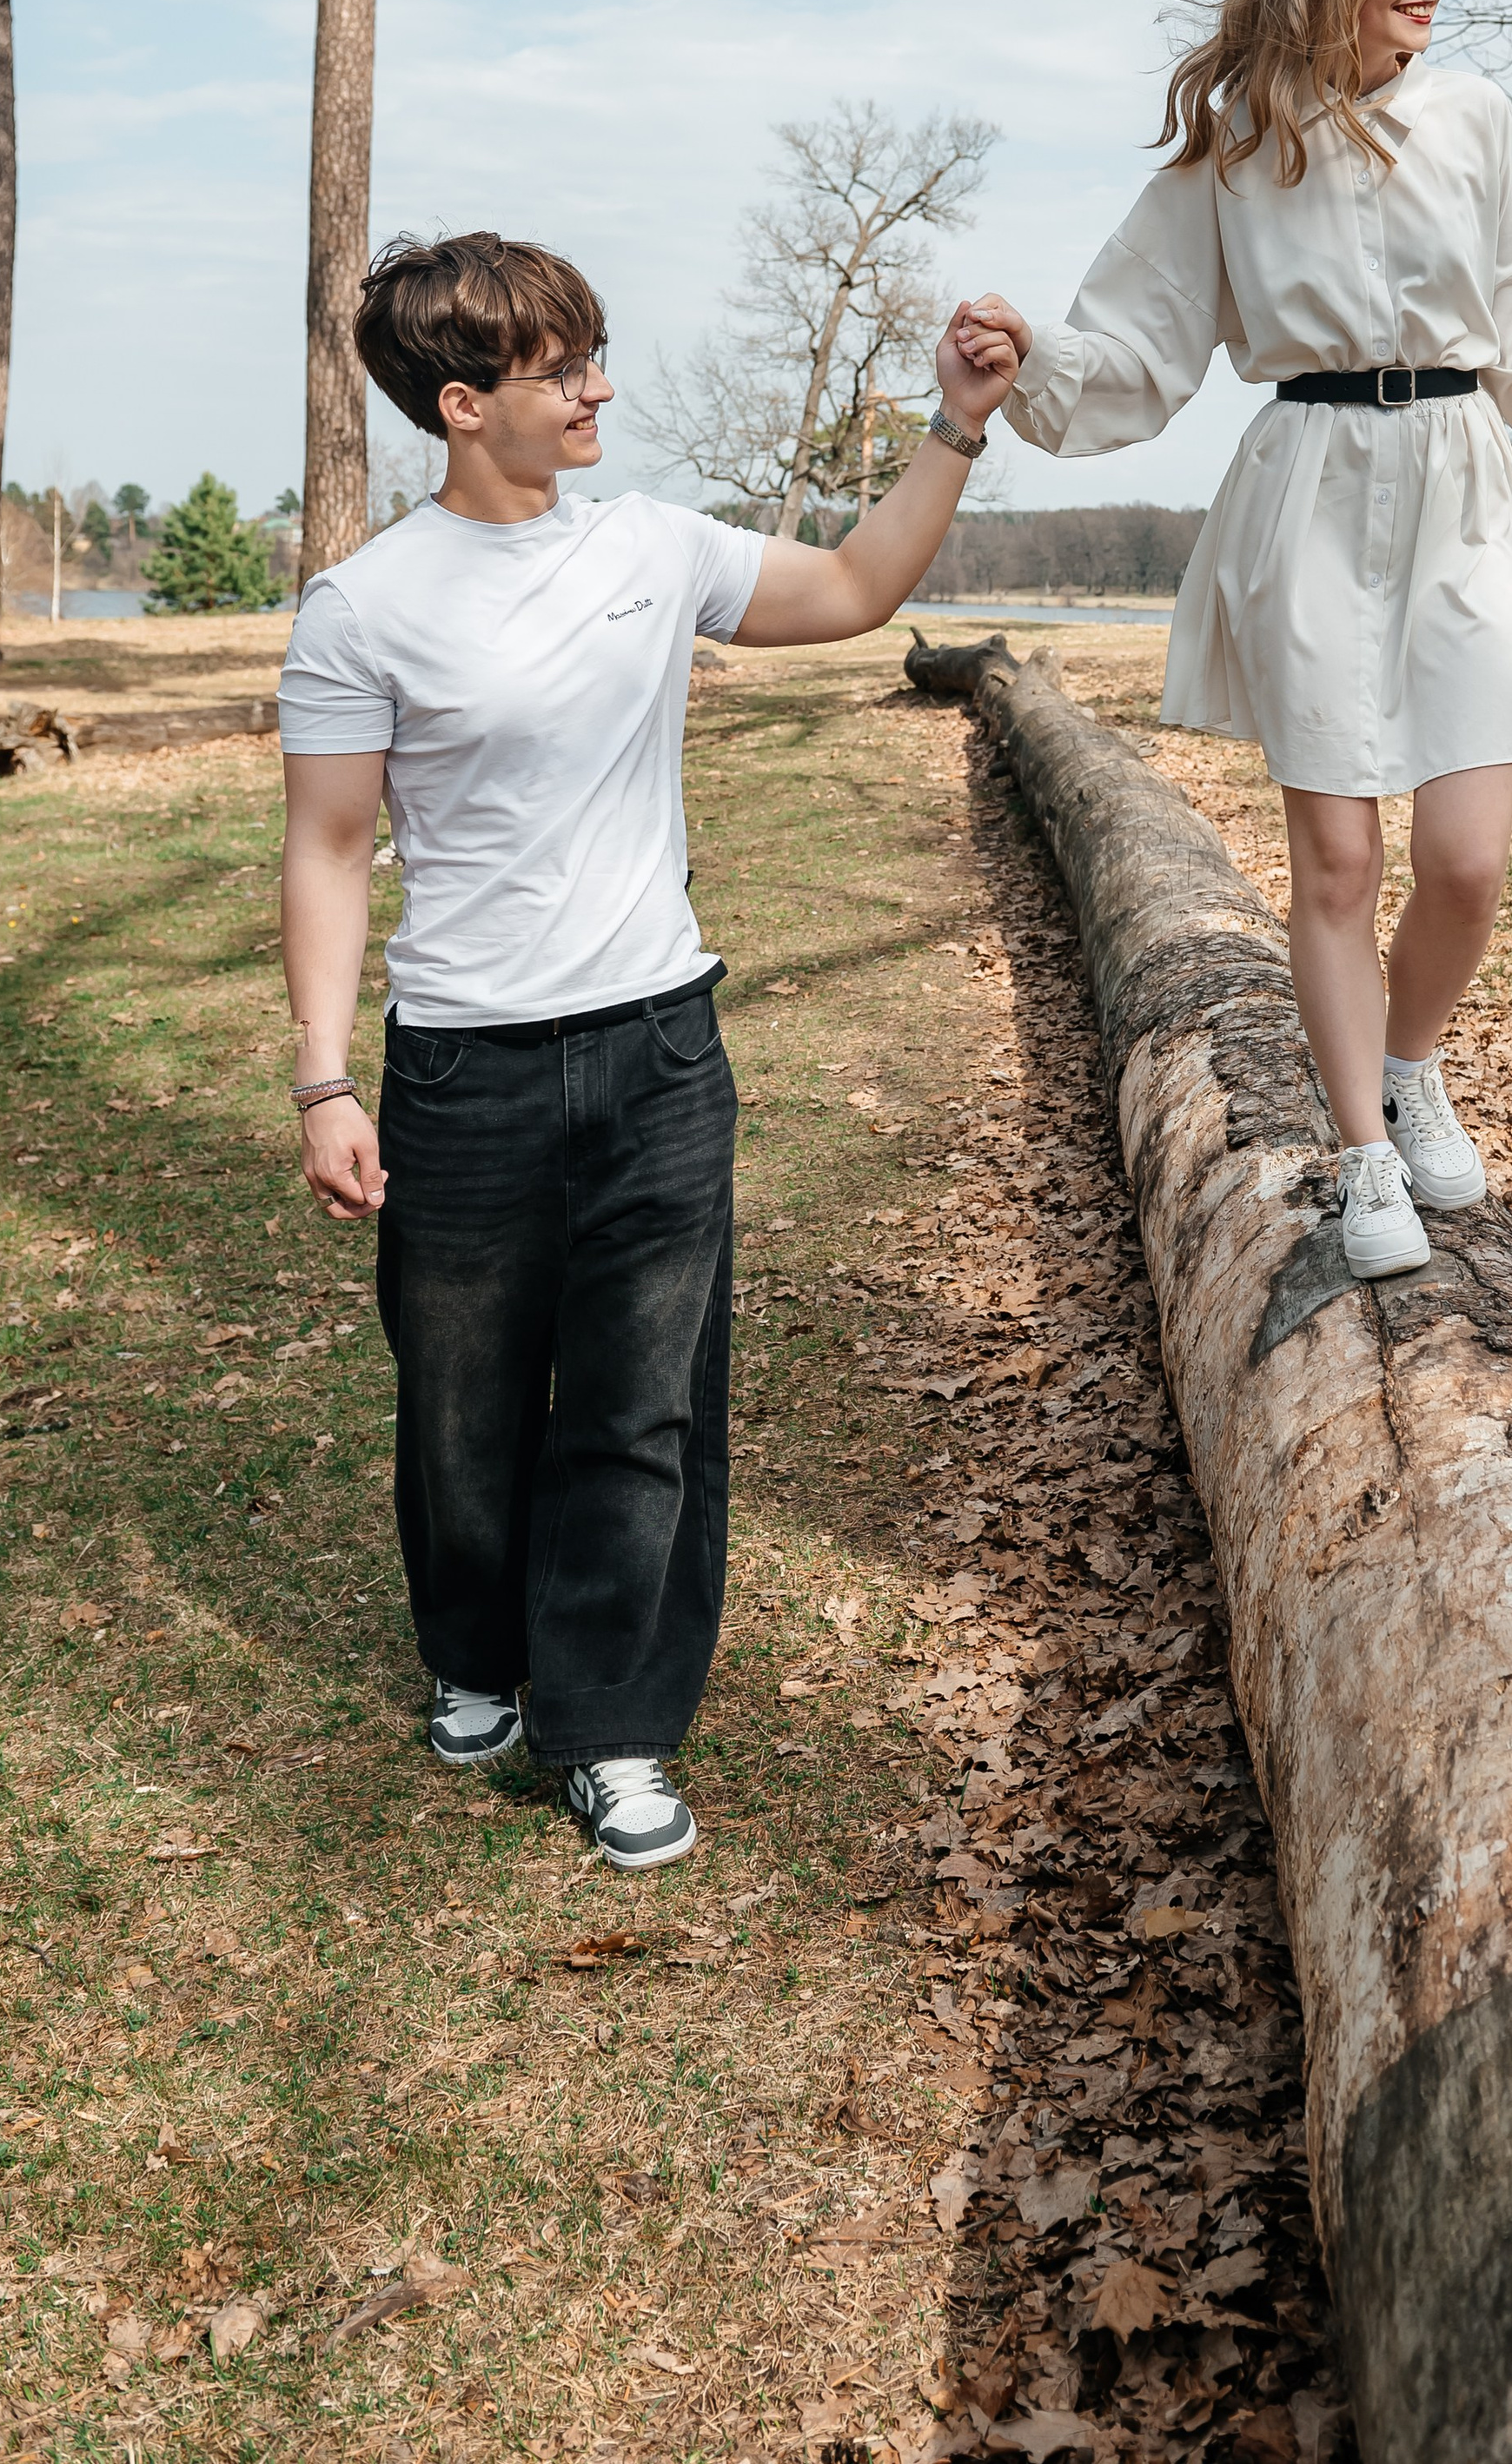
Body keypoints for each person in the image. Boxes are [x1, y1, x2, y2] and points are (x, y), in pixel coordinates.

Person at [278, 234, 1017, 1866]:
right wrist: (327, 1076)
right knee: (462, 1405)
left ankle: (611, 1725)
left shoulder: (653, 548)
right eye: (564, 369)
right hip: (464, 1069)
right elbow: (330, 845)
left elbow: (855, 588)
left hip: (657, 1055)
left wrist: (954, 424)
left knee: (640, 1406)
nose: (601, 388)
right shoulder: (364, 607)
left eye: (594, 353)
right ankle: (476, 1654)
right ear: (466, 407)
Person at [952, 0, 1512, 1279]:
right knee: (1339, 857)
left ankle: (1411, 1064)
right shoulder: (1240, 145)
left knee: (1469, 861)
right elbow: (1145, 345)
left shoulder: (1476, 122)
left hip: (1457, 493)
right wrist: (1033, 358)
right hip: (1307, 493)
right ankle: (1364, 1154)